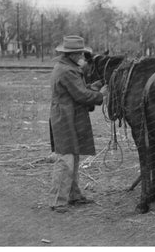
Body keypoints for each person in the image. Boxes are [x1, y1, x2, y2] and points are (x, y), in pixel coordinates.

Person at [49, 35, 107, 213]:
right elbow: (81, 95)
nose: (82, 55)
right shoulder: (67, 71)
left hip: (69, 115)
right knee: (66, 158)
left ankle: (73, 195)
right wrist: (101, 94)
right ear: (71, 54)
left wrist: (94, 86)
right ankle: (58, 201)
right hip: (66, 117)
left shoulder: (68, 67)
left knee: (72, 156)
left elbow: (79, 91)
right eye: (79, 52)